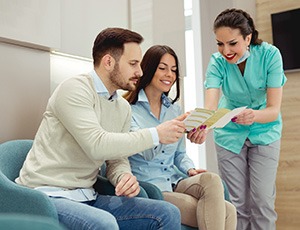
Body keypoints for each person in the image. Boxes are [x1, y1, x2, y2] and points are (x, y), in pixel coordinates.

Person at [15, 28, 186, 230]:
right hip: (47, 195)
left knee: (166, 213)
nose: (140, 72)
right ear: (108, 62)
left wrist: (123, 176)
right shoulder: (74, 90)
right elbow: (97, 145)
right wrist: (156, 134)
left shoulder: (121, 107)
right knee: (104, 224)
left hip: (87, 195)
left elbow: (116, 158)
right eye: (133, 64)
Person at [124, 45, 237, 230]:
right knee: (227, 212)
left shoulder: (174, 109)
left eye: (174, 70)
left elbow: (179, 154)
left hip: (175, 179)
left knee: (212, 180)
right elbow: (146, 153)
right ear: (148, 68)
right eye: (163, 68)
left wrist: (190, 169)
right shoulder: (128, 110)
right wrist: (171, 126)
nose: (169, 74)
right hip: (151, 187)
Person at [202, 8, 287, 230]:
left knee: (262, 202)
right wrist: (202, 125)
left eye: (232, 43)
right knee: (236, 204)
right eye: (220, 44)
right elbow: (210, 105)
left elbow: (273, 110)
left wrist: (253, 116)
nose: (225, 51)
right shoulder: (217, 62)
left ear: (247, 38)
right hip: (229, 134)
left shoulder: (270, 55)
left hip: (264, 131)